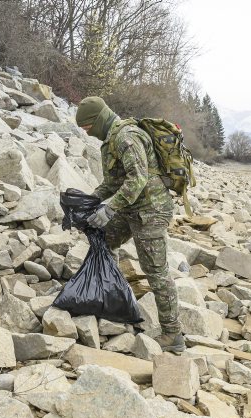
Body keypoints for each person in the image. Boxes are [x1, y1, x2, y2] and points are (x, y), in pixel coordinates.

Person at [74, 96, 185, 352]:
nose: (87, 134)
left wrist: (110, 209)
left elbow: (138, 179)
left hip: (151, 211)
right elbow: (113, 183)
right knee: (102, 238)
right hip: (131, 207)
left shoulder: (126, 137)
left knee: (156, 273)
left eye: (87, 128)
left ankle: (172, 334)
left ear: (97, 120)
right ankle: (110, 298)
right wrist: (90, 200)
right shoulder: (110, 141)